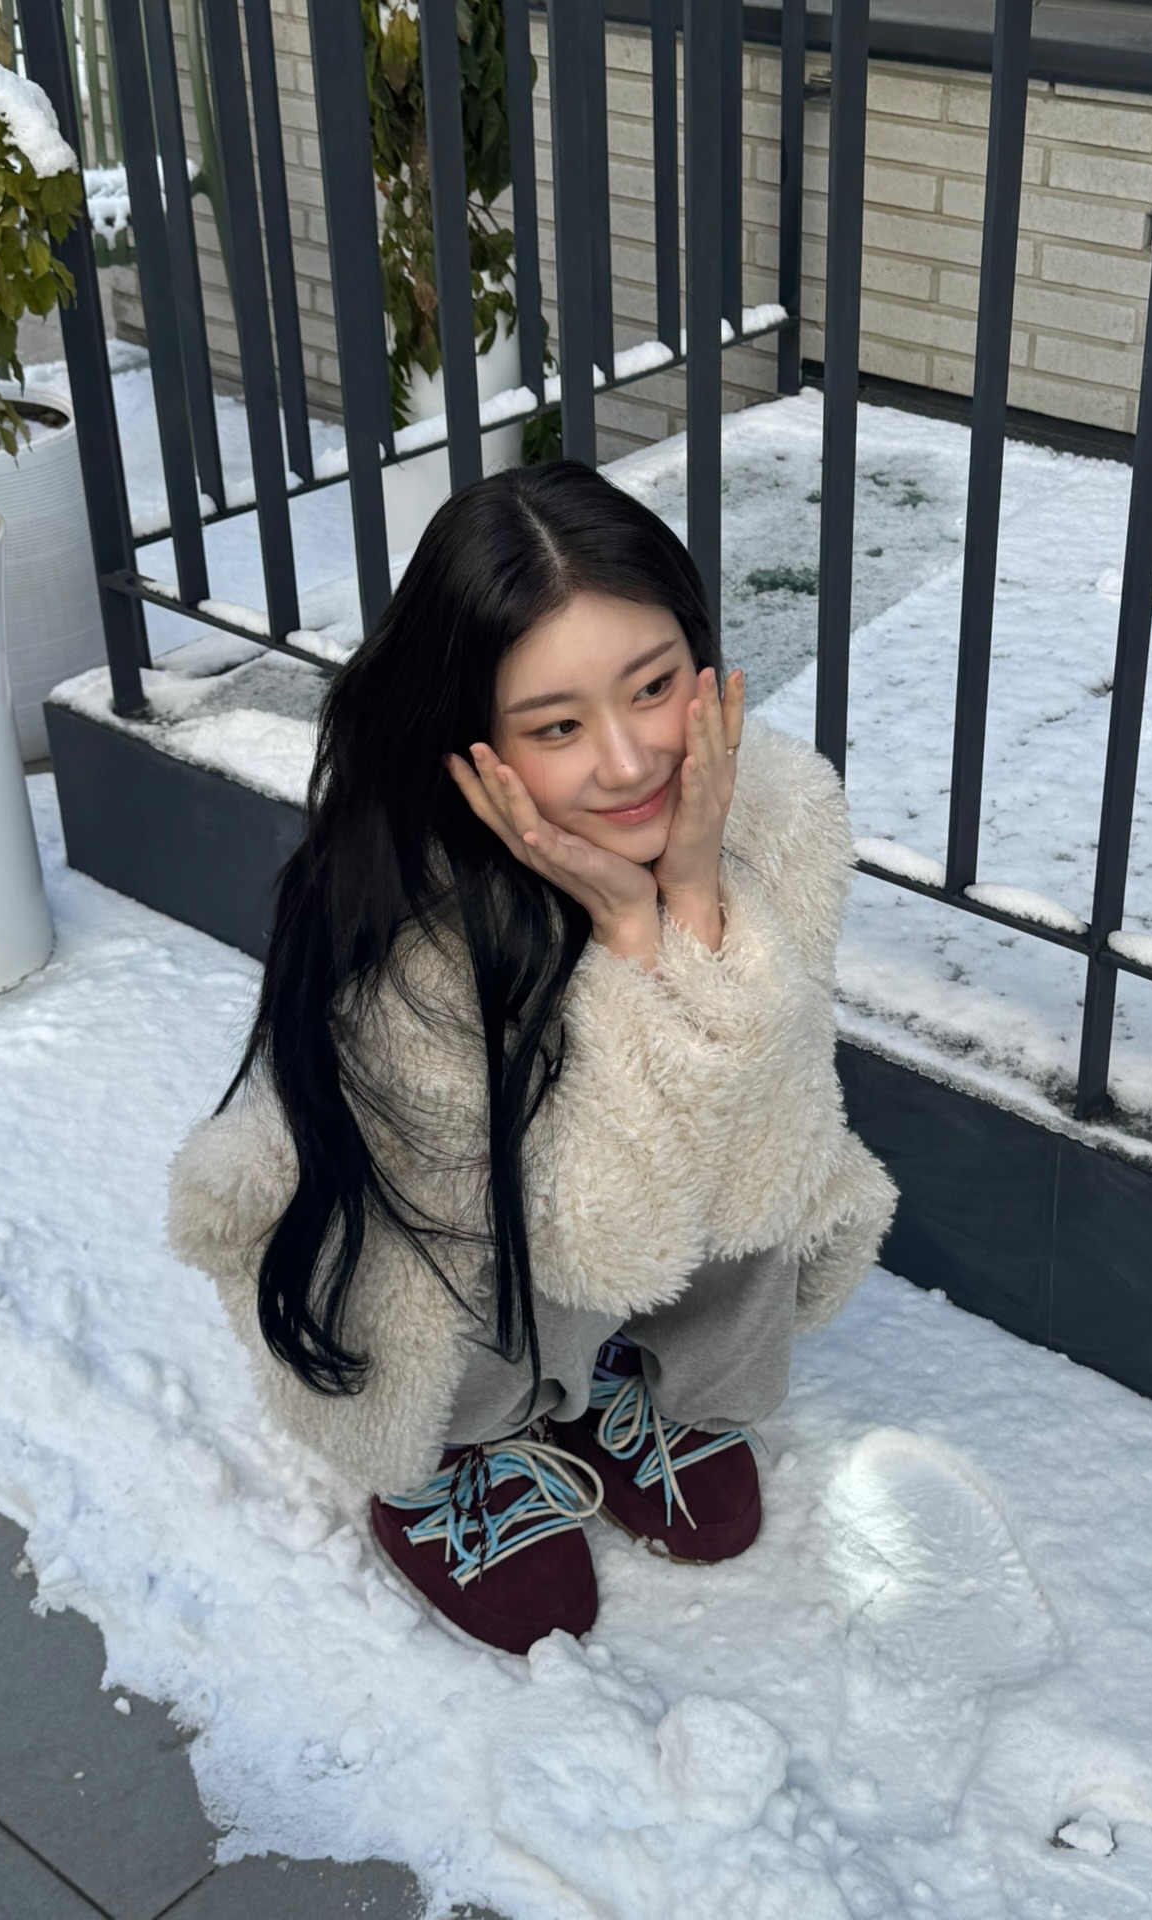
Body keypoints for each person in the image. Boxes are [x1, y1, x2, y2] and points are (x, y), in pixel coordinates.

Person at [166, 460, 897, 1657]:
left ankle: (638, 1383)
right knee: (494, 1251)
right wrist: (632, 934)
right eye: (557, 726)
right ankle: (465, 1450)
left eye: (652, 687)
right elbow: (588, 1234)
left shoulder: (771, 809)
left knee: (763, 1124)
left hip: (628, 1199)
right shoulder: (419, 935)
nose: (630, 762)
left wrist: (689, 902)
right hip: (446, 1235)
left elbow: (772, 1129)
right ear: (474, 743)